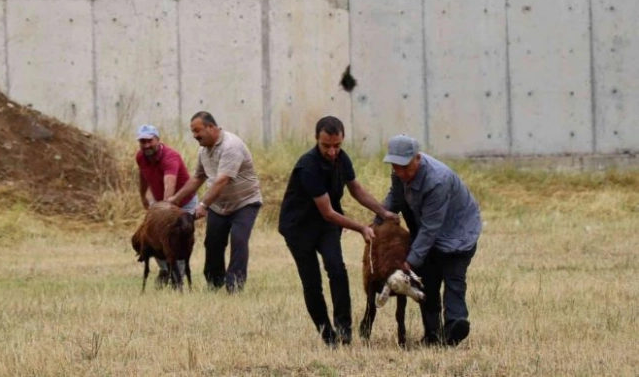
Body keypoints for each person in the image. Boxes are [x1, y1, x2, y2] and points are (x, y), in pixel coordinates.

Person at [278, 116, 399, 347]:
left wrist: (383, 212)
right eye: (327, 146)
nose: (333, 152)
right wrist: (361, 227)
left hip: (325, 227)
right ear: (316, 140)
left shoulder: (342, 159)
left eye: (337, 145)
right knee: (312, 281)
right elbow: (328, 212)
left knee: (337, 270)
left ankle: (344, 330)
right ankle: (327, 335)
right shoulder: (308, 166)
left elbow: (356, 190)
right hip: (299, 228)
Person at [377, 134, 482, 347]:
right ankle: (432, 334)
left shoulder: (437, 180)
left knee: (454, 279)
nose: (400, 172)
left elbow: (430, 229)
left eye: (405, 167)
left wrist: (409, 262)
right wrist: (376, 224)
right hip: (429, 232)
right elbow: (394, 199)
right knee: (427, 282)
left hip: (458, 234)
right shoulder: (399, 172)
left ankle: (455, 327)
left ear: (418, 158)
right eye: (396, 166)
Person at [167, 112, 262, 293]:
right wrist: (174, 200)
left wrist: (203, 205)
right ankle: (214, 282)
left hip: (245, 203)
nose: (195, 135)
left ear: (211, 127)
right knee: (213, 243)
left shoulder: (231, 146)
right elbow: (198, 177)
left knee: (238, 239)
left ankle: (234, 285)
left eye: (197, 131)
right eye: (192, 132)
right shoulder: (204, 150)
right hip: (219, 205)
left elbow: (221, 180)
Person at [135, 124, 197, 286]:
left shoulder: (170, 157)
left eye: (150, 141)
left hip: (183, 203)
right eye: (143, 141)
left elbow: (169, 185)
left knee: (179, 241)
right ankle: (165, 270)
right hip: (161, 202)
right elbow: (143, 176)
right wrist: (143, 196)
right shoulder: (141, 157)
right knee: (152, 237)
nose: (146, 145)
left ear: (158, 140)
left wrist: (162, 213)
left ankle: (178, 281)